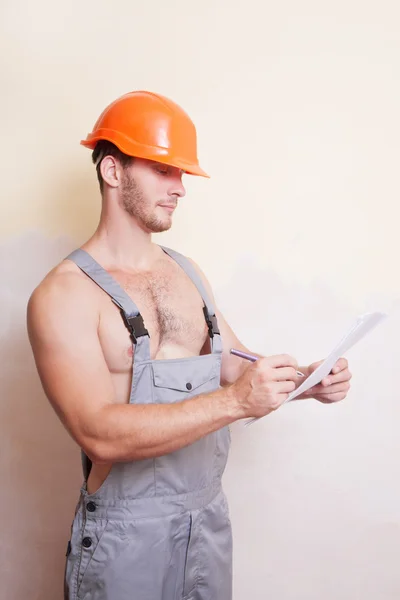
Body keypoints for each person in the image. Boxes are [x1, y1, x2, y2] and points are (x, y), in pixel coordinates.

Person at [26, 90, 352, 600]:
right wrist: (237, 401)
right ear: (113, 172)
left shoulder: (186, 272)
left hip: (205, 526)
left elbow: (235, 369)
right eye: (163, 170)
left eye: (182, 174)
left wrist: (308, 380)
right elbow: (98, 434)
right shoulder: (63, 295)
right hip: (125, 537)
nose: (180, 188)